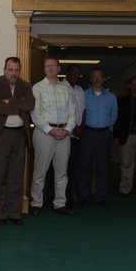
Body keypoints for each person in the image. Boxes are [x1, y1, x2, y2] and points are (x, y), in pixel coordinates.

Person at [0, 57, 36, 225]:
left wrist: (11, 102)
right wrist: (19, 105)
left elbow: (30, 105)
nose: (13, 73)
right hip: (1, 136)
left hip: (19, 135)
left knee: (16, 176)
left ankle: (15, 213)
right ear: (4, 69)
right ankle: (1, 213)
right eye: (10, 70)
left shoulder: (26, 85)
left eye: (16, 70)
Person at [30, 57, 76, 215]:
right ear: (44, 69)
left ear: (58, 68)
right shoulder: (38, 88)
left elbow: (73, 112)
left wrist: (68, 129)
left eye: (53, 66)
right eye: (47, 66)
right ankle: (36, 203)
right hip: (44, 133)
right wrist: (50, 130)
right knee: (40, 171)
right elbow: (35, 114)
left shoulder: (66, 89)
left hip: (64, 134)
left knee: (62, 172)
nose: (50, 68)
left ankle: (60, 203)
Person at [77, 67, 118, 207]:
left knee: (102, 166)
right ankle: (83, 196)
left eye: (100, 76)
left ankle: (100, 197)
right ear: (90, 79)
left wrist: (108, 129)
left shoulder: (111, 97)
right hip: (88, 133)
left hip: (104, 134)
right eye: (94, 77)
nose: (97, 79)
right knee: (84, 166)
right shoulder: (84, 95)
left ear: (104, 78)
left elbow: (113, 115)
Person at [114, 76, 136, 198]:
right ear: (129, 86)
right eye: (132, 84)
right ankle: (125, 188)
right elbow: (118, 119)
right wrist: (116, 135)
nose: (134, 86)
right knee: (125, 163)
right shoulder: (122, 101)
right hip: (126, 136)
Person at [61, 64, 86, 207]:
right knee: (61, 168)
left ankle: (69, 197)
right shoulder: (60, 88)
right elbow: (60, 113)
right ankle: (59, 197)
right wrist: (72, 128)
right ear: (67, 74)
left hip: (76, 136)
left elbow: (83, 111)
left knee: (72, 168)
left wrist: (80, 126)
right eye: (74, 72)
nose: (76, 75)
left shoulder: (80, 90)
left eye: (79, 73)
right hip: (63, 135)